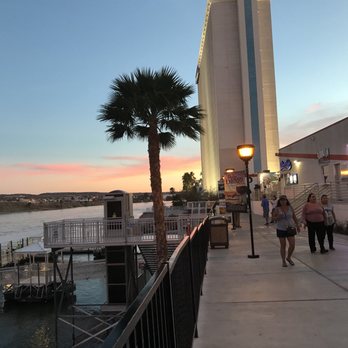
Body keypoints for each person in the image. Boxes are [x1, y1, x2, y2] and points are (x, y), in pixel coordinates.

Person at [272, 195, 300, 267]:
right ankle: (283, 261)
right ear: (279, 201)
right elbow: (273, 218)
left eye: (284, 200)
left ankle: (289, 257)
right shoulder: (277, 209)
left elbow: (294, 217)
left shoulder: (290, 208)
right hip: (281, 228)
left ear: (286, 200)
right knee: (283, 245)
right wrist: (278, 217)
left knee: (292, 245)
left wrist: (297, 225)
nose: (283, 201)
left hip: (290, 228)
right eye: (281, 200)